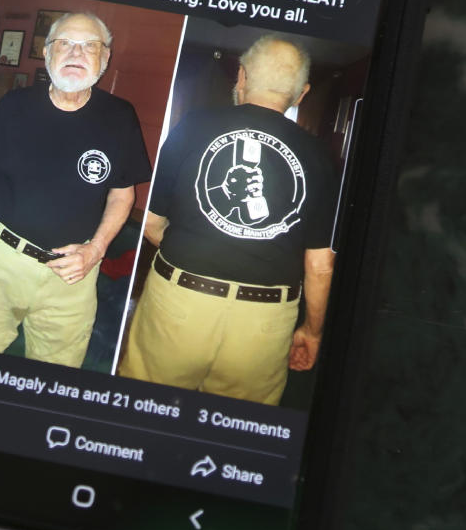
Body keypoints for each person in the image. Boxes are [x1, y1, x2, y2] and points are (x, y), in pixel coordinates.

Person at [119, 35, 337, 405]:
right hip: (264, 326)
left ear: (241, 76)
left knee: (143, 414)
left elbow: (153, 223)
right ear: (301, 94)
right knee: (232, 434)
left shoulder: (193, 124)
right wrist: (313, 331)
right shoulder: (319, 156)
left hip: (180, 304)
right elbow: (319, 265)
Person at [0, 13, 149, 367]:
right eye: (64, 43)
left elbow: (122, 194)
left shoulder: (121, 117)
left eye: (89, 46)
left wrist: (95, 251)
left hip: (72, 275)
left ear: (105, 57)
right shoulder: (13, 106)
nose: (75, 53)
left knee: (56, 375)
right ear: (48, 52)